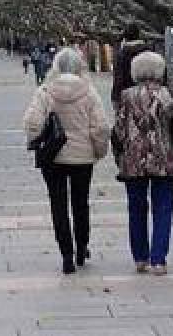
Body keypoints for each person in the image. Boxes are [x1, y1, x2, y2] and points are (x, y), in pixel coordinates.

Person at [23, 47, 109, 275]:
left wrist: (38, 141)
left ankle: (67, 255)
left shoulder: (45, 91)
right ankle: (82, 247)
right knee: (81, 203)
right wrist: (99, 151)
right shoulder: (89, 93)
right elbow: (100, 127)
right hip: (82, 158)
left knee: (58, 205)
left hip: (53, 157)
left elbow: (32, 123)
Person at [113, 51, 173, 275]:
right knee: (163, 208)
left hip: (134, 160)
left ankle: (140, 256)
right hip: (164, 159)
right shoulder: (167, 95)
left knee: (136, 208)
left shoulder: (125, 96)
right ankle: (159, 258)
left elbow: (120, 130)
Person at [111, 23, 148, 105]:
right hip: (147, 94)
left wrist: (115, 97)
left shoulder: (123, 54)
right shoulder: (148, 51)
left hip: (127, 94)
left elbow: (119, 77)